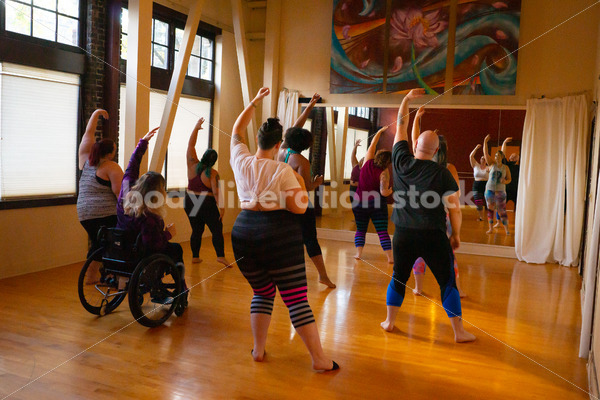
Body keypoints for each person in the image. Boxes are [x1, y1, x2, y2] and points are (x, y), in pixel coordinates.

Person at [230, 87, 338, 371]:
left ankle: (259, 351)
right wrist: (303, 185)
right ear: (279, 145)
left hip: (242, 232)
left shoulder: (239, 159)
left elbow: (236, 129)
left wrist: (254, 102)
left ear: (258, 139)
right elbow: (299, 208)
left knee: (262, 292)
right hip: (277, 234)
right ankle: (319, 360)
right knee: (295, 298)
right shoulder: (283, 171)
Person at [381, 88, 475, 343]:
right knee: (447, 282)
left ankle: (390, 322)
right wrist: (455, 235)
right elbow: (454, 208)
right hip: (433, 236)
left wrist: (406, 100)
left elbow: (401, 126)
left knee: (398, 277)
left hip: (403, 234)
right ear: (435, 152)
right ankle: (459, 332)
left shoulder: (400, 160)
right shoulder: (441, 173)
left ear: (416, 146)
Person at [117, 127, 188, 308]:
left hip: (121, 250)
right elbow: (154, 244)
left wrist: (143, 143)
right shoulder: (148, 216)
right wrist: (168, 234)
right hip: (140, 254)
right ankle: (176, 288)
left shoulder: (125, 194)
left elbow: (131, 168)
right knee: (175, 249)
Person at [277, 93, 336, 288]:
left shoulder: (281, 151)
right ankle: (323, 276)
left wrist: (308, 108)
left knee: (285, 239)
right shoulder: (302, 161)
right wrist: (318, 182)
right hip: (301, 204)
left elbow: (295, 128)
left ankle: (283, 275)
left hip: (282, 203)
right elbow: (306, 187)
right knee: (310, 239)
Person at [410, 108, 465, 298]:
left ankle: (418, 288)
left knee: (419, 253)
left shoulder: (419, 164)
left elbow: (414, 141)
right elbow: (456, 195)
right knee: (448, 255)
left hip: (420, 215)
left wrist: (416, 119)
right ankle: (456, 288)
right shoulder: (448, 169)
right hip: (443, 217)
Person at [77, 109, 124, 257]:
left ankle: (93, 275)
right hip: (105, 213)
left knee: (98, 243)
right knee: (110, 243)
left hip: (84, 213)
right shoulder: (111, 167)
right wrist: (128, 215)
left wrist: (96, 113)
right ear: (110, 153)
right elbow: (120, 195)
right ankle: (104, 274)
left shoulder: (85, 161)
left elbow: (88, 134)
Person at [184, 117, 230, 266]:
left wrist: (196, 128)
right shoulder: (212, 173)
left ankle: (195, 257)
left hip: (190, 201)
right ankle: (221, 256)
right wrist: (222, 208)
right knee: (217, 229)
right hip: (206, 203)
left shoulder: (192, 164)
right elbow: (216, 193)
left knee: (196, 229)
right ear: (214, 160)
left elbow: (191, 144)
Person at [353, 126, 393, 263]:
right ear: (388, 162)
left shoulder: (367, 162)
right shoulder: (384, 172)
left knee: (360, 229)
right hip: (376, 204)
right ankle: (390, 257)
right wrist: (390, 191)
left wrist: (380, 132)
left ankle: (358, 253)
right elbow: (383, 191)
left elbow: (372, 144)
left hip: (359, 202)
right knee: (382, 231)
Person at [483, 134, 512, 235]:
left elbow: (509, 179)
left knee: (502, 211)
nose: (496, 157)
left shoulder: (505, 168)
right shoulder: (492, 164)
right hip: (489, 190)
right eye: (495, 156)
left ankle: (506, 229)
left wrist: (506, 181)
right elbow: (486, 153)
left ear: (502, 157)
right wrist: (485, 142)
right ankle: (490, 228)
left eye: (498, 156)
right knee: (490, 210)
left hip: (500, 191)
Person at [470, 144, 488, 222]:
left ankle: (491, 218)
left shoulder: (489, 167)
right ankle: (481, 217)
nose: (483, 159)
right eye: (482, 158)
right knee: (478, 202)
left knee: (489, 202)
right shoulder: (476, 166)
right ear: (480, 160)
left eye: (484, 158)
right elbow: (471, 156)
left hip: (486, 185)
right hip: (477, 186)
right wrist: (476, 148)